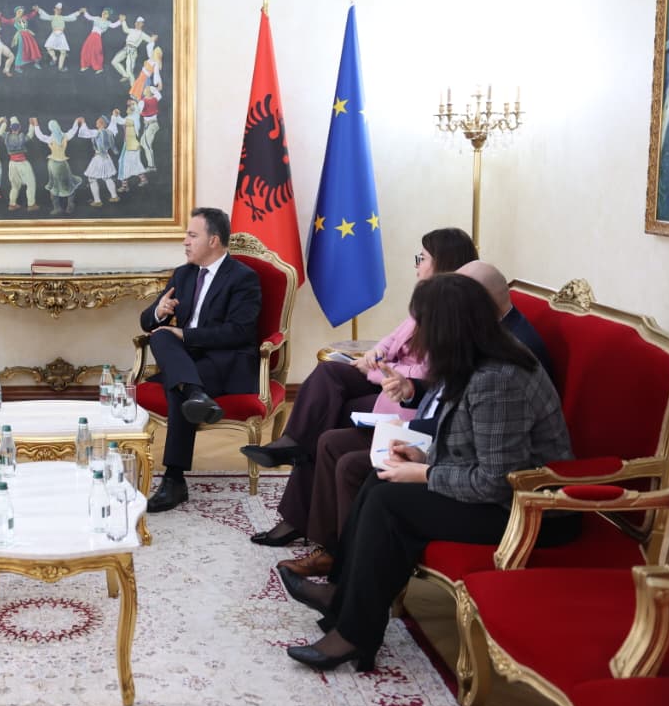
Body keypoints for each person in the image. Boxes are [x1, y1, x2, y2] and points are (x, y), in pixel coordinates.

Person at [277, 273, 577, 672]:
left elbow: (497, 482)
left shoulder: (498, 379)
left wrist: (425, 473)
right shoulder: (474, 358)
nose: (417, 337)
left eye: (424, 325)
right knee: (379, 477)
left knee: (390, 500)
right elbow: (469, 440)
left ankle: (353, 633)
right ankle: (342, 597)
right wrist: (422, 454)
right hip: (496, 491)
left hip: (528, 510)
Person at [284, 260, 556, 578]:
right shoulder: (483, 340)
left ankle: (345, 576)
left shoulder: (502, 365)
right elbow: (457, 403)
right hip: (454, 446)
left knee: (371, 479)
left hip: (504, 493)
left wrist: (425, 463)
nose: (425, 335)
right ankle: (336, 562)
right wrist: (412, 394)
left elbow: (495, 470)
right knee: (339, 444)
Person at [242, 227, 477, 547]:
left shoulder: (455, 311)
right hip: (388, 382)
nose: (417, 265)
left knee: (327, 420)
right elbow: (392, 339)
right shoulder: (427, 300)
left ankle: (300, 516)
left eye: (422, 258)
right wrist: (373, 355)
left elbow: (429, 374)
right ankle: (292, 443)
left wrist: (377, 372)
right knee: (329, 374)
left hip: (408, 401)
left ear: (443, 262)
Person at [141, 208, 261, 512]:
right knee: (160, 336)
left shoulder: (243, 278)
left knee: (176, 383)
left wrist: (185, 335)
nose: (185, 241)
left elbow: (239, 332)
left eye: (192, 235)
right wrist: (159, 312)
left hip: (226, 362)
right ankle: (195, 393)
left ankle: (174, 479)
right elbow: (146, 321)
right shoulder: (183, 274)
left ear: (214, 240)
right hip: (190, 361)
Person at [30, 117, 82, 215]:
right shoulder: (66, 136)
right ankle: (70, 205)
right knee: (69, 184)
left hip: (53, 165)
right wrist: (76, 122)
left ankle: (57, 208)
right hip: (63, 164)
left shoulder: (50, 139)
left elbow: (40, 136)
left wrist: (36, 124)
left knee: (54, 186)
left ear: (50, 128)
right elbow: (73, 131)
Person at [111, 16, 158, 83]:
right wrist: (123, 21)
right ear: (135, 23)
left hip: (132, 51)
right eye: (137, 22)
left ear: (142, 24)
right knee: (114, 61)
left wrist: (154, 38)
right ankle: (125, 75)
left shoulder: (142, 34)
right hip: (126, 48)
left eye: (140, 23)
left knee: (129, 70)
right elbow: (125, 29)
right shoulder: (131, 30)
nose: (138, 24)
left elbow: (150, 40)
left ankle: (133, 87)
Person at [77, 7, 123, 73]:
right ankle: (84, 65)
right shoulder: (97, 18)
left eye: (106, 13)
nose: (104, 14)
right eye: (103, 12)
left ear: (108, 15)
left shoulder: (108, 22)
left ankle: (99, 68)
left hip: (97, 38)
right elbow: (89, 17)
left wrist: (120, 20)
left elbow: (113, 25)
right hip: (91, 36)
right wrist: (85, 11)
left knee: (97, 52)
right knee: (85, 50)